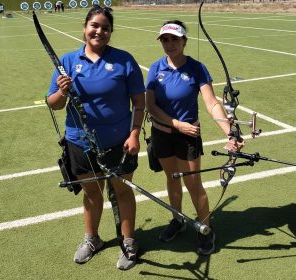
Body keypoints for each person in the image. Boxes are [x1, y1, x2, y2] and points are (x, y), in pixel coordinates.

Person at [47, 5, 145, 270]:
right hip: (80, 141)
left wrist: (135, 133)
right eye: (94, 26)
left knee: (122, 191)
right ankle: (92, 239)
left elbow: (139, 101)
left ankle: (129, 241)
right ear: (85, 28)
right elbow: (53, 104)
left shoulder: (124, 60)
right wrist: (63, 92)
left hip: (119, 141)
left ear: (111, 33)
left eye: (105, 28)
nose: (99, 31)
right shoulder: (67, 61)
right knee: (91, 192)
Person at [145, 20, 243, 255]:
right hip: (164, 134)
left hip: (189, 137)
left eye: (174, 39)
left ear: (184, 41)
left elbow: (211, 103)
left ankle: (205, 230)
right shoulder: (155, 68)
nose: (170, 44)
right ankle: (177, 220)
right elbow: (150, 105)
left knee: (193, 184)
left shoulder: (197, 68)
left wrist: (230, 131)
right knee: (172, 178)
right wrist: (177, 124)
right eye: (165, 40)